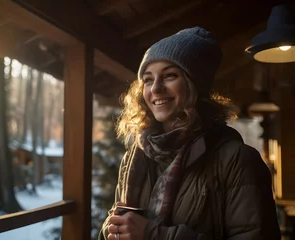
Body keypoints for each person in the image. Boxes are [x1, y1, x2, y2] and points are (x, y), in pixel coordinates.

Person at [98, 27, 281, 240]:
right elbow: (114, 230)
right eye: (148, 79)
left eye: (170, 75)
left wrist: (153, 235)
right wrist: (114, 229)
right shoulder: (134, 157)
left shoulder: (237, 161)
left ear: (196, 86)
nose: (155, 89)